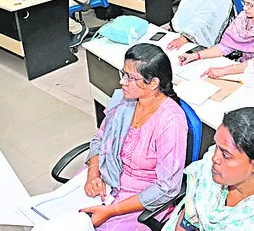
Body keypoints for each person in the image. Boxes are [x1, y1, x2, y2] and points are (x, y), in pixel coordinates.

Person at [80, 44, 187, 228]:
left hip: (140, 200)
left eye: (130, 77)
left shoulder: (171, 121)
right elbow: (99, 139)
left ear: (153, 83)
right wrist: (93, 173)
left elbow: (168, 187)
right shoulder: (125, 100)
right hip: (106, 178)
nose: (122, 82)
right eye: (124, 74)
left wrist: (112, 210)